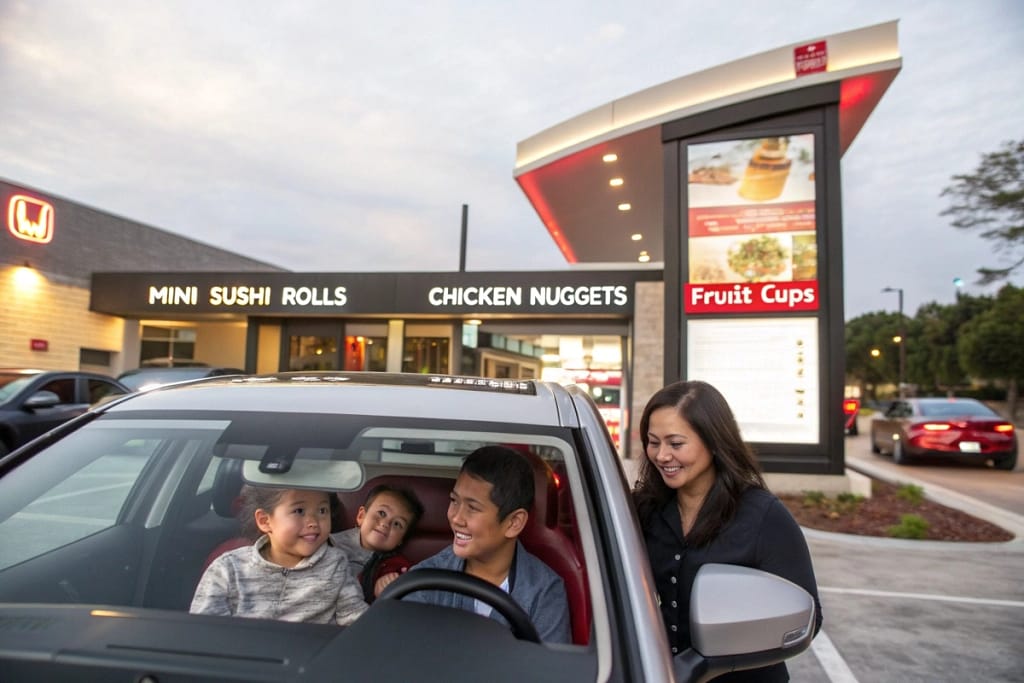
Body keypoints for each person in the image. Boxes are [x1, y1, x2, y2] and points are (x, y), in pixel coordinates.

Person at [632, 380, 823, 681]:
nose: (662, 455)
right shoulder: (642, 510)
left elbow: (806, 617)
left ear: (713, 442)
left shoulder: (764, 516)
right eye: (653, 442)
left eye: (676, 443)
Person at [397, 445, 571, 644]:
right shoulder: (425, 580)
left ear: (514, 523)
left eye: (472, 508)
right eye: (454, 500)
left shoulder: (544, 591)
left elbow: (548, 671)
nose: (456, 518)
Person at [190, 486, 368, 626]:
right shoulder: (228, 569)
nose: (314, 522)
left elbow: (355, 620)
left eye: (322, 511)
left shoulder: (336, 564)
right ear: (265, 521)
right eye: (299, 511)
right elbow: (204, 633)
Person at [331, 484, 424, 602]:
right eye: (382, 513)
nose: (386, 524)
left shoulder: (397, 567)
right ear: (361, 516)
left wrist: (388, 591)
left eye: (397, 524)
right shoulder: (329, 544)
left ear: (401, 539)